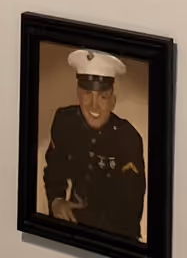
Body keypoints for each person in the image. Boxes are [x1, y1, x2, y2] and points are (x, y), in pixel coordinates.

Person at [41, 49, 145, 237]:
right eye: (87, 93)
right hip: (71, 225)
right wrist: (56, 201)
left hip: (115, 236)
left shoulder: (128, 139)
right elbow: (54, 171)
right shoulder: (65, 122)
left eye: (103, 96)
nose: (94, 105)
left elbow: (132, 207)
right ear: (78, 94)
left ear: (113, 101)